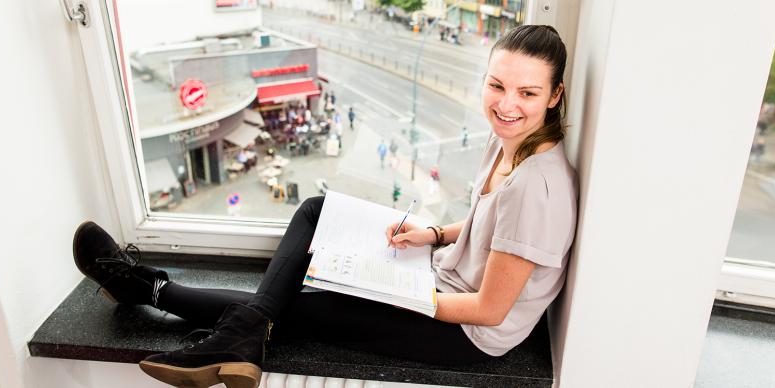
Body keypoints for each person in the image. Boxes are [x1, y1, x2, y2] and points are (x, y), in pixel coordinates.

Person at [71, 25, 577, 388]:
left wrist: (390, 293)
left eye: (527, 92)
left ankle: (144, 287)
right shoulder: (511, 140)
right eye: (497, 85)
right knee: (317, 210)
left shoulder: (539, 188)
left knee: (301, 306)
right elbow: (492, 220)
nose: (506, 103)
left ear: (554, 96)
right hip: (440, 275)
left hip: (466, 333)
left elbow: (490, 309)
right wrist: (438, 235)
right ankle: (231, 328)